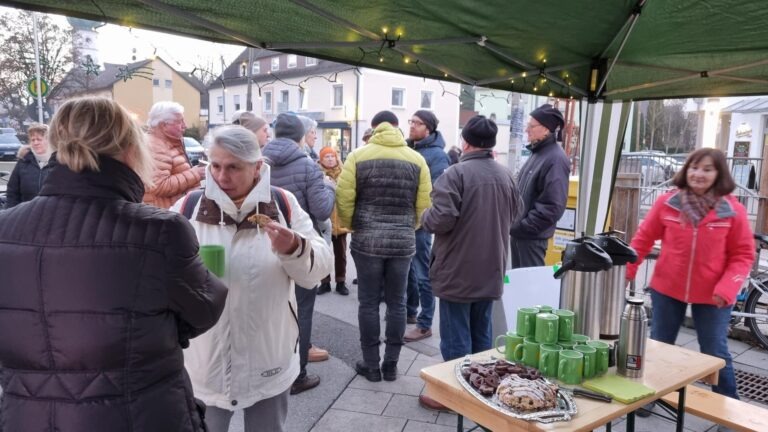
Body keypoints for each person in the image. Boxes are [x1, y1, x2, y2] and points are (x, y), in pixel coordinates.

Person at [0, 97, 228, 431]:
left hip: (27, 419)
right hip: (141, 415)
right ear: (130, 149)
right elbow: (204, 310)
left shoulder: (4, 230)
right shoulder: (159, 232)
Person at [173, 125, 332, 432]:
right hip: (205, 364)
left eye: (234, 167)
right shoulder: (187, 207)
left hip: (269, 359)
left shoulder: (283, 204)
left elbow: (318, 271)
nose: (222, 176)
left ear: (257, 167)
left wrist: (294, 248)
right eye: (215, 165)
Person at [626, 148, 753, 405]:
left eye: (707, 169)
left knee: (715, 351)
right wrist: (627, 271)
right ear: (686, 170)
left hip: (714, 294)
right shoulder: (667, 203)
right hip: (667, 288)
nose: (699, 174)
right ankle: (649, 397)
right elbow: (642, 240)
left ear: (719, 174)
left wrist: (728, 288)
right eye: (694, 167)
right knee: (659, 345)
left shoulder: (732, 211)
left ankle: (729, 406)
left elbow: (743, 255)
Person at [418, 115, 522, 410]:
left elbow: (440, 219)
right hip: (491, 268)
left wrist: (425, 215)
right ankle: (482, 391)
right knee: (481, 335)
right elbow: (517, 215)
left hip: (458, 269)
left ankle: (457, 396)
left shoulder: (455, 174)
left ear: (465, 142)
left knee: (456, 338)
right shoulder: (506, 175)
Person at [336, 112, 432, 382]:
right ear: (397, 128)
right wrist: (409, 227)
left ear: (374, 128)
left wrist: (352, 225)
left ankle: (371, 365)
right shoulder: (417, 159)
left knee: (368, 303)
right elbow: (424, 205)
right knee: (397, 303)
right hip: (402, 241)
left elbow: (344, 198)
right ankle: (391, 364)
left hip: (367, 240)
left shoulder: (357, 156)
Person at [262, 113, 336, 393]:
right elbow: (322, 210)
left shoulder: (258, 162)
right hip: (299, 246)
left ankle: (271, 370)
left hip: (265, 244)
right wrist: (329, 187)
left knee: (272, 309)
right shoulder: (307, 166)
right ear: (301, 136)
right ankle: (298, 375)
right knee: (301, 311)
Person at [404, 110, 450, 342]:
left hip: (421, 222)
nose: (412, 126)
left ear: (428, 128)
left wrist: (425, 217)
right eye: (411, 121)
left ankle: (425, 323)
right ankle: (411, 311)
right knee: (410, 270)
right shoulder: (409, 148)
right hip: (407, 219)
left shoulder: (437, 156)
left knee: (423, 273)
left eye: (418, 123)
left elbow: (438, 191)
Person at [509, 104, 569, 268]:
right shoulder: (538, 154)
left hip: (531, 239)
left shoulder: (555, 159)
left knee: (530, 283)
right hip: (522, 236)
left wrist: (524, 226)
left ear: (546, 129)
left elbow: (553, 206)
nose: (527, 130)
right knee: (520, 281)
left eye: (531, 126)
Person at [143, 101, 205, 208]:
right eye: (180, 122)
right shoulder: (156, 146)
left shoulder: (167, 142)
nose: (185, 126)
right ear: (163, 125)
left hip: (170, 210)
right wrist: (195, 174)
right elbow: (158, 186)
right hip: (164, 212)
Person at [317, 146, 351, 296]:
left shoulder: (344, 173)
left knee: (341, 254)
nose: (330, 159)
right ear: (321, 160)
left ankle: (341, 282)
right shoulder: (317, 174)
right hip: (324, 220)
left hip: (341, 220)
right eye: (327, 157)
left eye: (332, 156)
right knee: (323, 253)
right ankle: (324, 282)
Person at [4, 123, 55, 208]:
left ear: (48, 140)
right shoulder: (23, 161)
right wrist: (10, 212)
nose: (35, 143)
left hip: (51, 213)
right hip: (26, 213)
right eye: (33, 140)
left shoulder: (59, 162)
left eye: (39, 139)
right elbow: (12, 192)